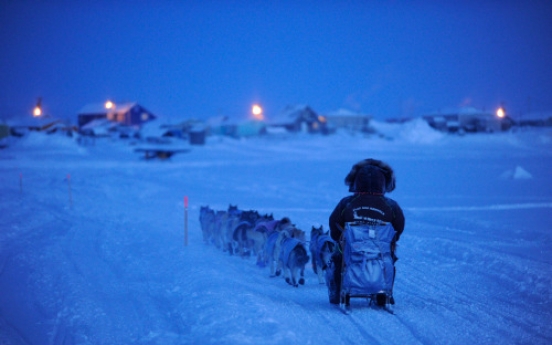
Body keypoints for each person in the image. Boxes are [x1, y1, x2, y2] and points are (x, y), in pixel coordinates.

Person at [326, 158, 405, 305]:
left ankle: (337, 292)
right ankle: (387, 291)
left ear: (356, 182)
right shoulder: (391, 206)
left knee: (338, 259)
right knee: (390, 259)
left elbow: (334, 222)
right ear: (383, 183)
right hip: (381, 249)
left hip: (352, 248)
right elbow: (399, 227)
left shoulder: (347, 202)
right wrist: (392, 241)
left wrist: (338, 239)